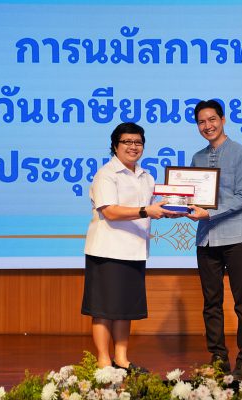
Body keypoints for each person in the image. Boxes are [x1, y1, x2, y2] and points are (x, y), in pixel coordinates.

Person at [81, 122, 174, 373]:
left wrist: (172, 209)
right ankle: (103, 360)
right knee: (103, 309)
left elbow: (151, 209)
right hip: (107, 250)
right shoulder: (106, 174)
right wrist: (147, 210)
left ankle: (121, 359)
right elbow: (110, 211)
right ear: (115, 146)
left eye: (138, 142)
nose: (133, 147)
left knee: (125, 309)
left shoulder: (146, 176)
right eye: (127, 142)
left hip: (135, 250)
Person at [187, 100, 242, 381]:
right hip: (206, 239)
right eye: (201, 122)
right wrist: (178, 204)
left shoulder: (241, 154)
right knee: (211, 303)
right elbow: (192, 196)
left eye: (212, 119)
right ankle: (218, 358)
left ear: (223, 119)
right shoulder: (197, 158)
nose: (208, 126)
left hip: (237, 237)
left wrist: (209, 212)